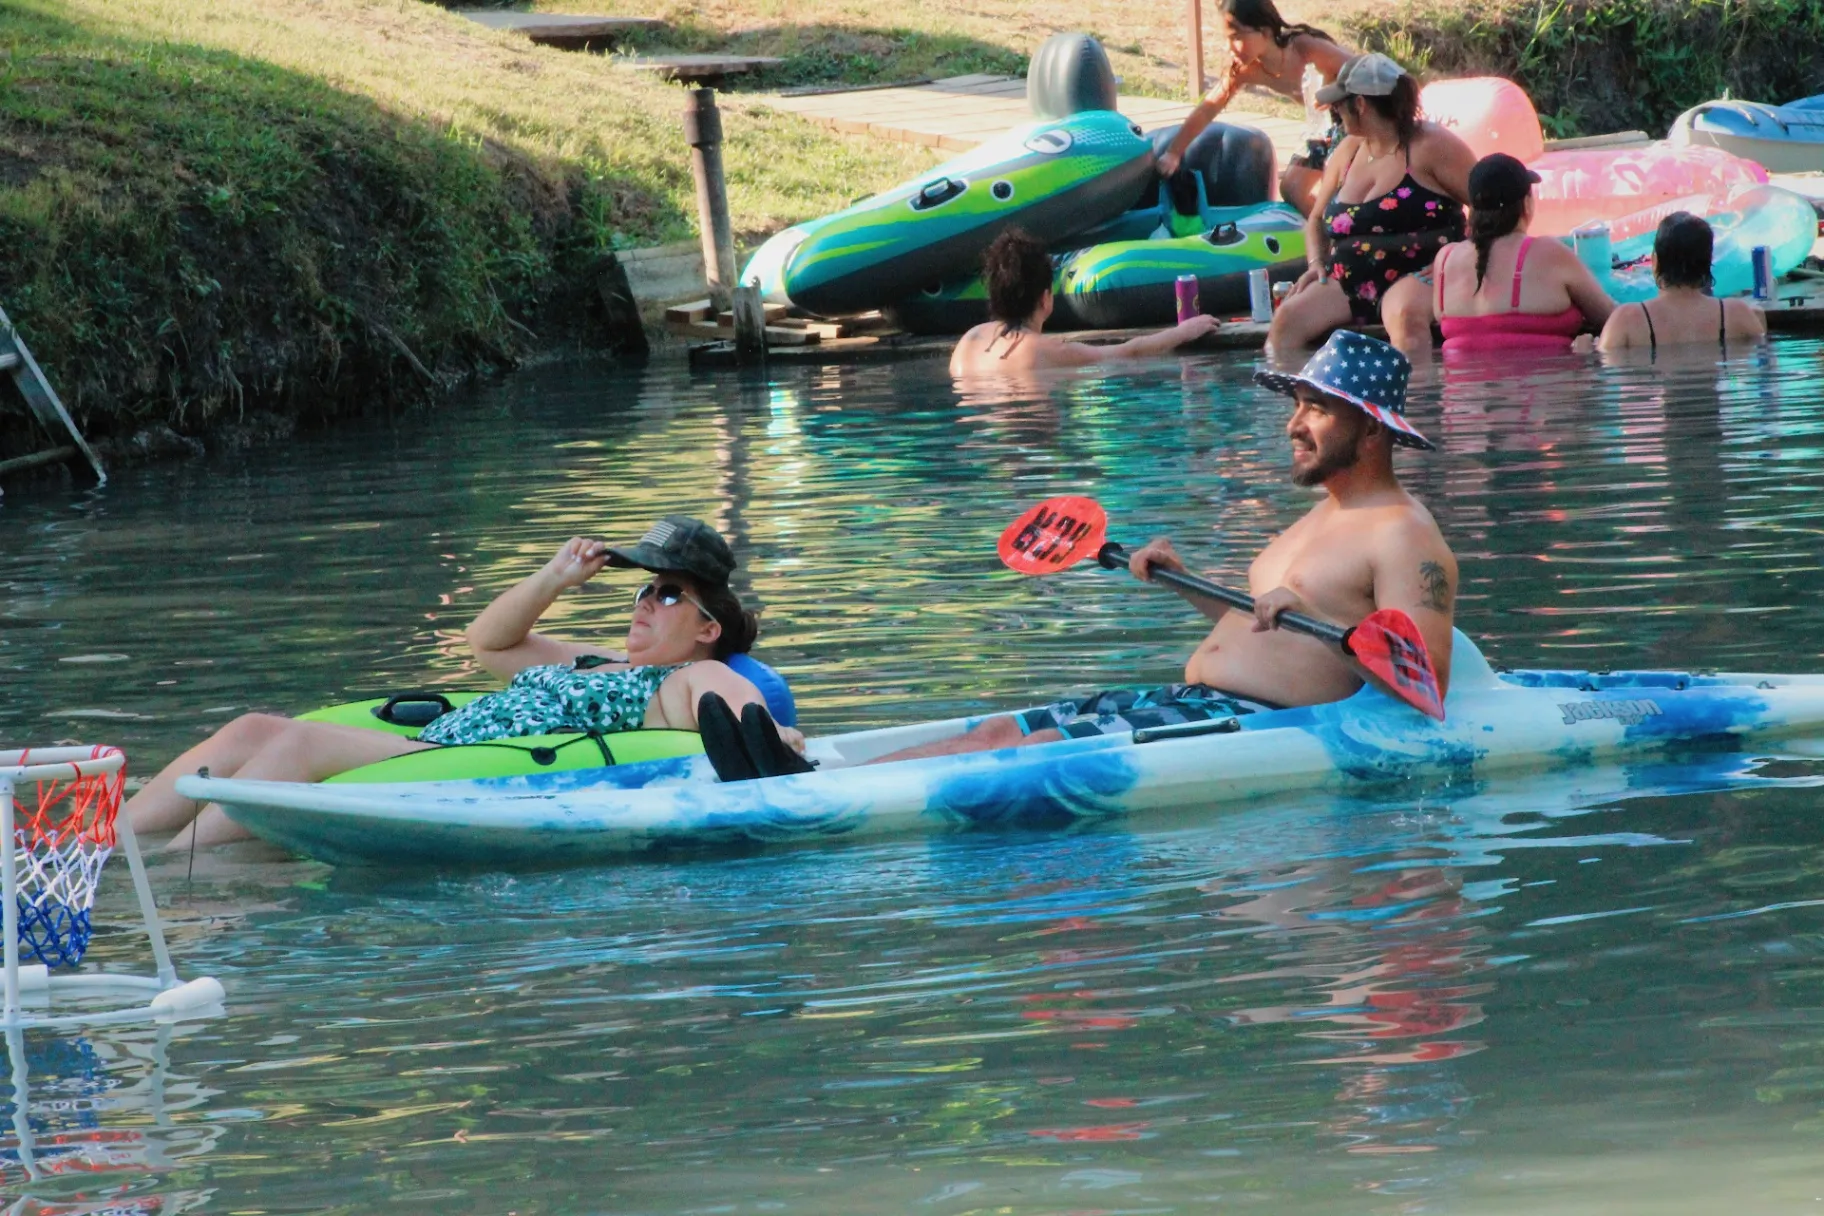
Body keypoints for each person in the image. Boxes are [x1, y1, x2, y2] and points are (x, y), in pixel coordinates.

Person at [877, 331, 1457, 763]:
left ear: (1374, 429)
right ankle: (796, 776)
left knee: (1043, 748)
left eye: (1318, 408)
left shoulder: (1403, 534)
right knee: (1001, 734)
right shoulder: (1321, 514)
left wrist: (1313, 615)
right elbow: (1265, 627)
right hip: (1191, 700)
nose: (1293, 425)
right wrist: (1183, 580)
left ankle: (804, 801)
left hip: (1257, 726)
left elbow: (1425, 683)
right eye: (1297, 404)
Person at [124, 517, 802, 848]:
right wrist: (555, 578)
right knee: (251, 728)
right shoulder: (592, 663)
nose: (646, 603)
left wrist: (779, 743)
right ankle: (110, 843)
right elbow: (487, 641)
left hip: (465, 766)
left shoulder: (692, 673)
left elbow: (732, 710)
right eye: (644, 590)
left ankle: (164, 876)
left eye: (671, 595)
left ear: (710, 626)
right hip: (436, 739)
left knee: (296, 745)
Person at [1268, 54, 1475, 354]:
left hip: (1418, 275)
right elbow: (1315, 220)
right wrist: (1316, 264)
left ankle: (1417, 400)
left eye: (1341, 103)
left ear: (1361, 104)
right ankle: (1305, 401)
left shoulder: (1431, 145)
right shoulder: (1347, 150)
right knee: (1286, 321)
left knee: (1405, 320)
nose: (1336, 111)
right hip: (1349, 279)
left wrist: (1463, 254)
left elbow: (1490, 201)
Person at [1157, 0, 1354, 215]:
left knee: (1338, 187)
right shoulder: (1247, 69)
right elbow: (1208, 108)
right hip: (1324, 129)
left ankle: (1347, 230)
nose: (1229, 47)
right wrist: (1173, 152)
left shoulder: (1304, 47)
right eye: (1227, 39)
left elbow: (1363, 69)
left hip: (1356, 124)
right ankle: (1329, 233)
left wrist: (1332, 92)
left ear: (1265, 31)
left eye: (1236, 37)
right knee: (1292, 189)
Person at [949, 229, 1220, 376]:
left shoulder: (968, 342)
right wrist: (1181, 332)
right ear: (1045, 298)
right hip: (1030, 438)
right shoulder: (1046, 351)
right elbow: (1128, 353)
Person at [1432, 153, 1614, 353]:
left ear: (1473, 208)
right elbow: (1611, 316)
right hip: (1550, 380)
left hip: (1463, 382)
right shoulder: (1549, 253)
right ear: (1526, 204)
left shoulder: (1445, 260)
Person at [1597, 212, 1767, 354]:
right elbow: (1762, 361)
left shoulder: (1626, 319)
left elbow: (1607, 372)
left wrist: (1583, 350)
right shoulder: (1736, 314)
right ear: (1708, 263)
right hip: (1712, 394)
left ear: (1655, 261)